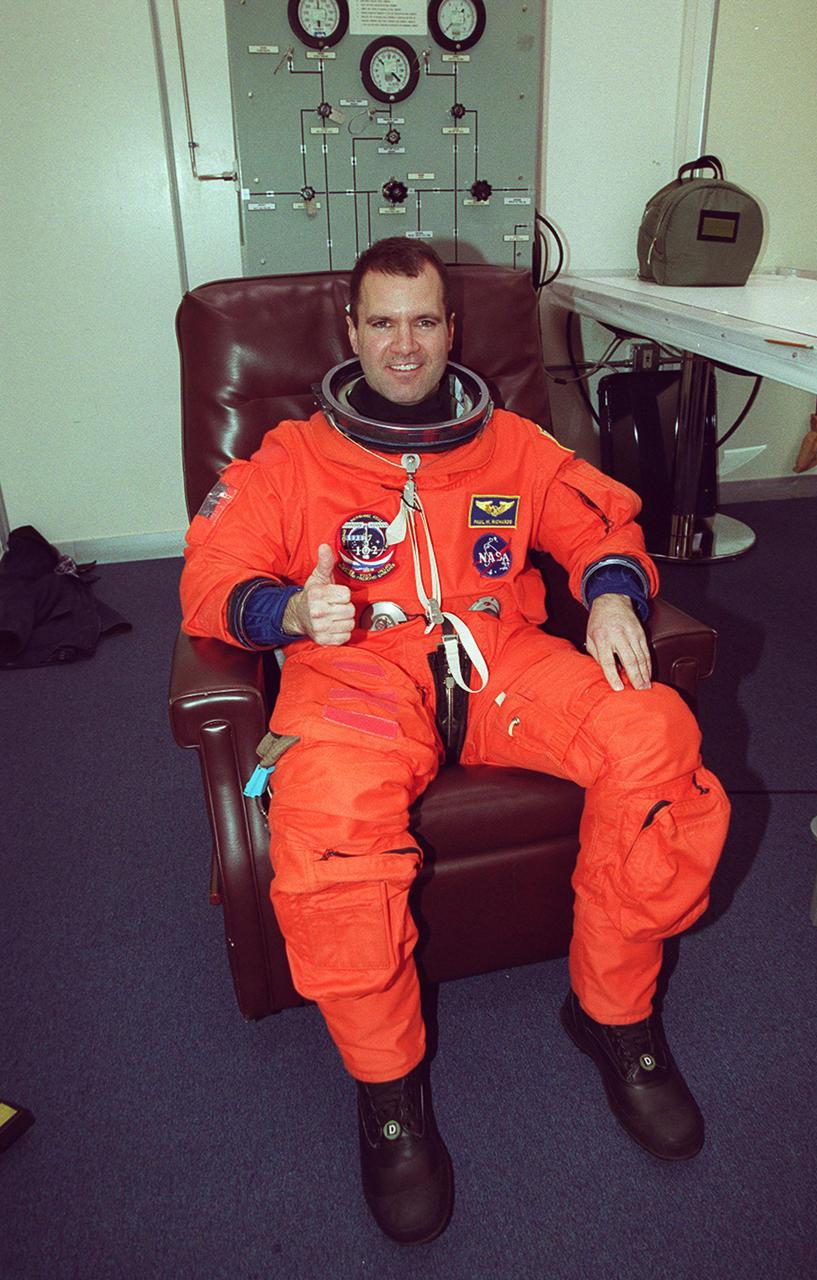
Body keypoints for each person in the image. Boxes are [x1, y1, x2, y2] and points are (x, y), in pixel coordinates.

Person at [180, 238, 730, 1245]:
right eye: (382, 321)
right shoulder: (292, 459)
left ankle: (614, 1010)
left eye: (424, 320)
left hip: (500, 665)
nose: (403, 343)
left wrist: (610, 596)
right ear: (349, 330)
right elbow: (210, 577)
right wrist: (288, 613)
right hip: (357, 679)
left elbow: (601, 525)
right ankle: (389, 1092)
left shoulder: (511, 443)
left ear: (451, 329)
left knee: (653, 733)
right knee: (329, 816)